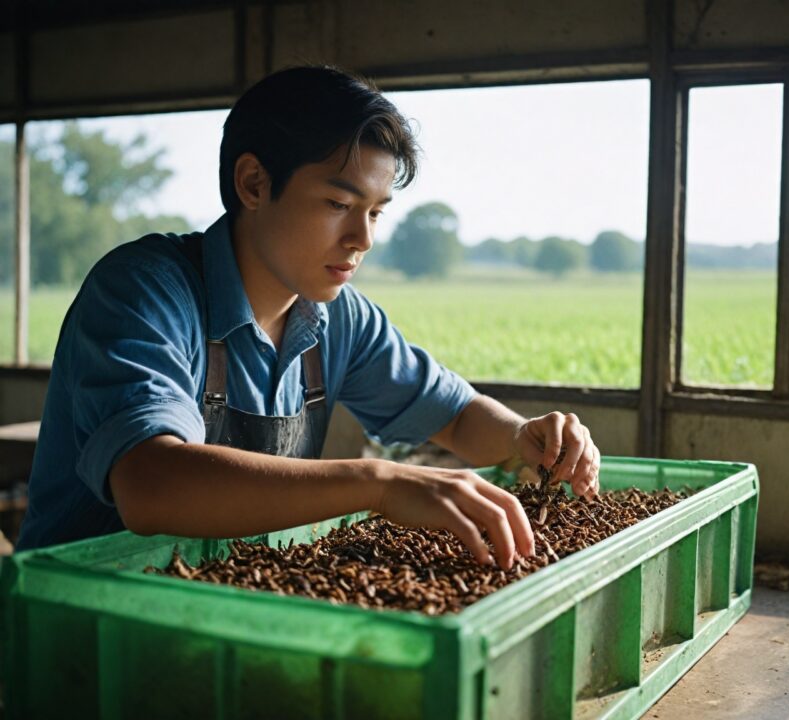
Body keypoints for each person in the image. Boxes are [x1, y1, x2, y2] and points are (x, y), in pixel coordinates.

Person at [16, 66, 601, 568]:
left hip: (223, 609)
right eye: (339, 204)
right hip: (78, 626)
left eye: (376, 212)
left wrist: (525, 438)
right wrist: (379, 484)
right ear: (253, 183)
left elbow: (454, 416)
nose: (362, 238)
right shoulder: (145, 290)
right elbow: (149, 483)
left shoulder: (337, 317)